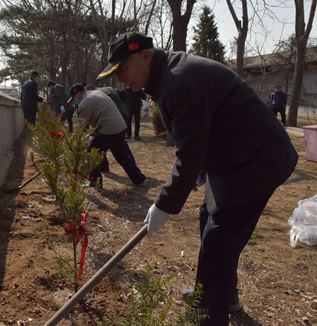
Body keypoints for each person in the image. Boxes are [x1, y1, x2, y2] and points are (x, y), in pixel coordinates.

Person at [96, 31, 298, 325]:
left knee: (219, 239)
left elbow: (188, 155)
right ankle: (220, 295)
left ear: (145, 56)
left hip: (258, 160)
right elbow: (200, 131)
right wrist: (200, 171)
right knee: (209, 219)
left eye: (123, 70)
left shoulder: (179, 82)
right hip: (235, 156)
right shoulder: (167, 76)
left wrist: (164, 204)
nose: (121, 80)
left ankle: (208, 316)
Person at [68, 83, 146, 188]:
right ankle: (139, 178)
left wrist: (72, 141)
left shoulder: (85, 103)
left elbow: (81, 126)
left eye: (75, 97)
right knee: (121, 155)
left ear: (80, 93)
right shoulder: (96, 92)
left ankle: (95, 182)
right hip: (120, 125)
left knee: (92, 153)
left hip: (109, 128)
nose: (75, 100)